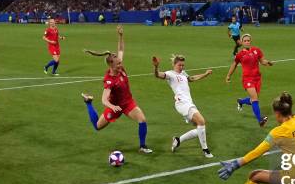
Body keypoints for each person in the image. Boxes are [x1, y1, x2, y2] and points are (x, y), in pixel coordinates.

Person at [81, 25, 152, 154]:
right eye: (118, 63)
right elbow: (104, 99)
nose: (121, 64)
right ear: (111, 65)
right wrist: (112, 107)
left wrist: (120, 35)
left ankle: (142, 147)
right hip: (115, 106)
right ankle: (88, 103)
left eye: (120, 62)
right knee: (97, 126)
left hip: (128, 103)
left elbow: (120, 49)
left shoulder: (120, 67)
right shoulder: (109, 79)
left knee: (142, 119)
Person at [153, 54, 213, 158]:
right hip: (182, 104)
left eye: (183, 65)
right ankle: (206, 150)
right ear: (174, 64)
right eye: (179, 65)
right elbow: (158, 75)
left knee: (200, 128)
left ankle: (178, 140)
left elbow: (192, 78)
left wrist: (205, 74)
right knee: (202, 121)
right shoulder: (170, 74)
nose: (181, 67)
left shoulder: (183, 73)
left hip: (189, 102)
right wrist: (156, 66)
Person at [226, 34, 273, 127]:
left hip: (257, 78)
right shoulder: (240, 54)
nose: (247, 42)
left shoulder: (257, 50)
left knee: (253, 99)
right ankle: (260, 119)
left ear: (250, 41)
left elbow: (262, 61)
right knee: (255, 99)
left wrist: (268, 62)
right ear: (242, 42)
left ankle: (241, 101)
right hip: (247, 79)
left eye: (248, 40)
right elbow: (234, 65)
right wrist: (228, 76)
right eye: (245, 41)